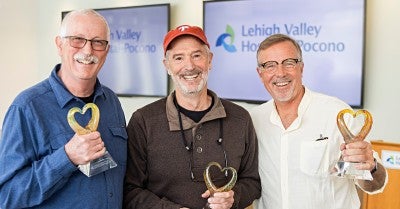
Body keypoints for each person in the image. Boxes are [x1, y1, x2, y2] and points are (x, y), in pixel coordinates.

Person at [0, 9, 127, 208]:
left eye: (97, 42)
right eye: (77, 39)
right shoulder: (26, 108)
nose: (88, 51)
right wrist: (66, 157)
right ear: (59, 45)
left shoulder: (111, 101)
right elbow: (6, 197)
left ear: (107, 50)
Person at [123, 25, 261, 209]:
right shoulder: (143, 121)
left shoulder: (240, 118)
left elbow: (252, 181)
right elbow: (130, 190)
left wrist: (233, 198)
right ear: (167, 65)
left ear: (210, 60)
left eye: (197, 55)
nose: (189, 66)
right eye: (178, 58)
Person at [250, 33, 388, 209]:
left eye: (289, 63)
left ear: (301, 68)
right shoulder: (254, 121)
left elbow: (372, 184)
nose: (280, 73)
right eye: (270, 66)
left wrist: (370, 167)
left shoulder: (336, 114)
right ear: (260, 74)